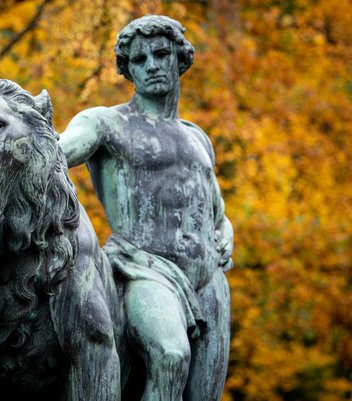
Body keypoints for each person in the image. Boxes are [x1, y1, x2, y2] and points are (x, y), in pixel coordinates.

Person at [59, 15, 234, 401]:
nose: (152, 65)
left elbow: (215, 208)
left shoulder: (196, 137)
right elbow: (61, 149)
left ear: (180, 59)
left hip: (209, 278)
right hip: (143, 269)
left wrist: (227, 233)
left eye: (161, 54)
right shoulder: (105, 123)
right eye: (140, 60)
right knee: (170, 355)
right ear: (128, 69)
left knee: (204, 395)